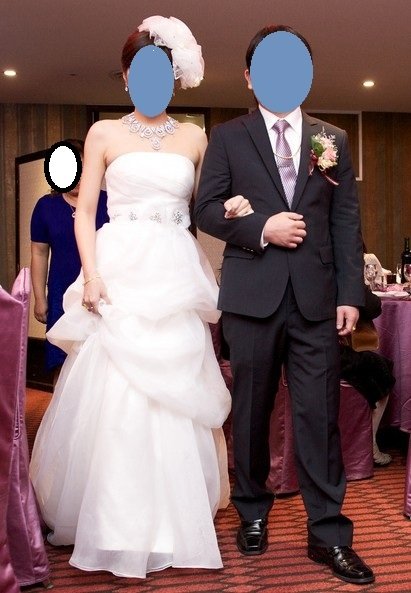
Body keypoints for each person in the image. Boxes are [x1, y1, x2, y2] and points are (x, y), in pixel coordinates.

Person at [30, 16, 251, 579]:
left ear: (173, 79)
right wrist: (92, 275)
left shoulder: (194, 138)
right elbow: (84, 211)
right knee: (116, 388)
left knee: (177, 385)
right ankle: (114, 517)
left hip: (174, 267)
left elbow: (208, 203)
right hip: (121, 264)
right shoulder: (104, 133)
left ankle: (174, 516)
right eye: (140, 72)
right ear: (127, 78)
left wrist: (232, 206)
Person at [195, 24, 374, 585]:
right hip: (252, 297)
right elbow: (205, 209)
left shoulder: (332, 140)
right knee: (250, 412)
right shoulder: (228, 137)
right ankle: (252, 510)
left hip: (317, 300)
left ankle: (329, 533)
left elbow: (345, 221)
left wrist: (351, 294)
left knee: (319, 415)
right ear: (250, 78)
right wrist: (261, 228)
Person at [30, 139, 108, 383]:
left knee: (100, 361)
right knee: (61, 359)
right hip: (60, 293)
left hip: (100, 292)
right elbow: (39, 253)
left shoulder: (109, 202)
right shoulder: (46, 206)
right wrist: (40, 298)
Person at [340, 284, 395, 466]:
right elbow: (373, 307)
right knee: (382, 369)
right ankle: (369, 444)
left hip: (299, 350)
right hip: (332, 352)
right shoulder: (342, 274)